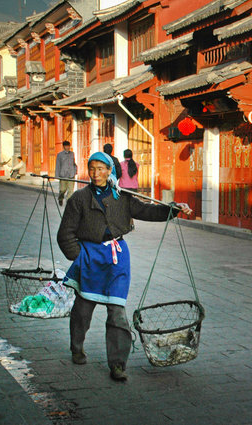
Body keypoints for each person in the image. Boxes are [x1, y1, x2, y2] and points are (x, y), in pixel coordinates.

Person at [57, 151, 192, 382]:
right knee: (83, 309)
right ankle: (76, 347)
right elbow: (65, 234)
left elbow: (147, 211)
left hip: (117, 259)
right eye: (92, 168)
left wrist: (173, 209)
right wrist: (79, 257)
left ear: (110, 171)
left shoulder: (123, 197)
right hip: (90, 257)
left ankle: (118, 364)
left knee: (117, 312)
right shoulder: (79, 199)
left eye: (101, 169)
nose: (96, 173)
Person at [55, 141, 77, 206]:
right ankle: (60, 198)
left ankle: (68, 203)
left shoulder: (72, 154)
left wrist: (75, 170)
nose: (68, 147)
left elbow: (74, 163)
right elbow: (58, 165)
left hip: (71, 175)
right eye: (66, 146)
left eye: (68, 146)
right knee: (62, 189)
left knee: (70, 191)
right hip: (63, 175)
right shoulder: (60, 155)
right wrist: (57, 175)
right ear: (64, 147)